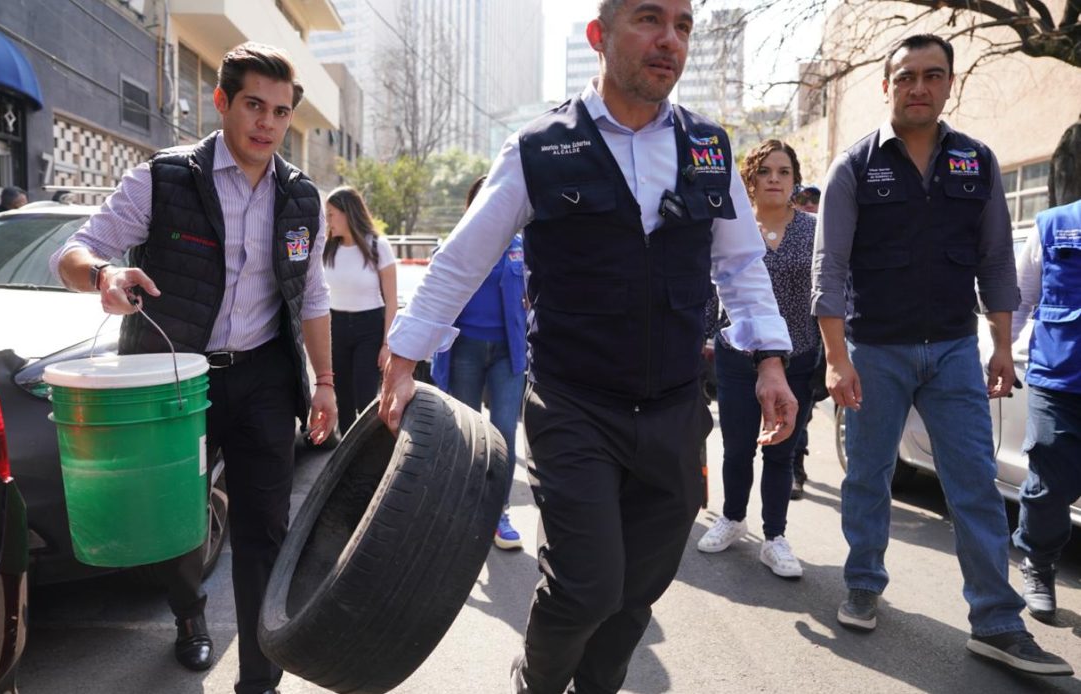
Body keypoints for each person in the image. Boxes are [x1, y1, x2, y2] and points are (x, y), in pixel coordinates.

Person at [378, 2, 798, 691]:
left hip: (673, 408)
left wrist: (770, 361)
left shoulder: (709, 148)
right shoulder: (539, 148)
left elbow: (742, 266)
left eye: (683, 26)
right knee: (586, 586)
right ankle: (535, 684)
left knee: (638, 590)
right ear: (599, 37)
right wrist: (402, 360)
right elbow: (462, 260)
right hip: (574, 405)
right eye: (649, 19)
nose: (669, 40)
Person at [49, 42, 337, 694]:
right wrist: (102, 274)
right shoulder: (163, 178)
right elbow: (76, 251)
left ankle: (260, 679)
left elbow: (313, 297)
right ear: (222, 102)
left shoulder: (301, 199)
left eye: (281, 112)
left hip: (263, 376)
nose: (267, 123)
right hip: (175, 382)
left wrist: (324, 384)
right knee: (177, 524)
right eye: (254, 106)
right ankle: (188, 616)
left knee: (266, 528)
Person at [812, 33, 1071, 676]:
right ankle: (864, 581)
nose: (918, 87)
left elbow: (996, 262)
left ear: (949, 83)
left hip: (955, 350)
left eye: (932, 75)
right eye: (906, 77)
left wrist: (1003, 348)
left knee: (976, 486)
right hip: (875, 350)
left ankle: (997, 622)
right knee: (868, 476)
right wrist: (836, 357)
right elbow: (830, 268)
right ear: (887, 85)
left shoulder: (975, 162)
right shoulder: (853, 167)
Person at [696, 140, 820, 578]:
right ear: (749, 180)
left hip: (798, 357)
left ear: (794, 180)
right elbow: (715, 287)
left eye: (783, 172)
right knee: (737, 447)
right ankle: (731, 517)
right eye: (765, 171)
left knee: (782, 452)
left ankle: (775, 537)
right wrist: (701, 338)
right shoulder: (733, 227)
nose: (774, 179)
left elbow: (827, 292)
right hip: (737, 355)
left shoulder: (812, 230)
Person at [430, 175, 528, 551]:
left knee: (503, 432)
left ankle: (498, 513)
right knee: (467, 435)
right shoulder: (457, 244)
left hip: (508, 352)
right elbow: (436, 294)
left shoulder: (521, 246)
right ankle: (466, 510)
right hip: (464, 349)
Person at [1009, 193, 1081, 622]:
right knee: (1049, 486)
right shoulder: (1054, 224)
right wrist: (1003, 350)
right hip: (1059, 379)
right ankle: (1037, 563)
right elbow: (1020, 298)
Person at [323, 185, 397, 436]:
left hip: (370, 327)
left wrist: (387, 344)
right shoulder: (327, 248)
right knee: (342, 395)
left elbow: (391, 300)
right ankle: (345, 454)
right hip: (336, 327)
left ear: (348, 213)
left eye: (332, 214)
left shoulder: (378, 246)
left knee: (365, 397)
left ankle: (368, 453)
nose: (328, 220)